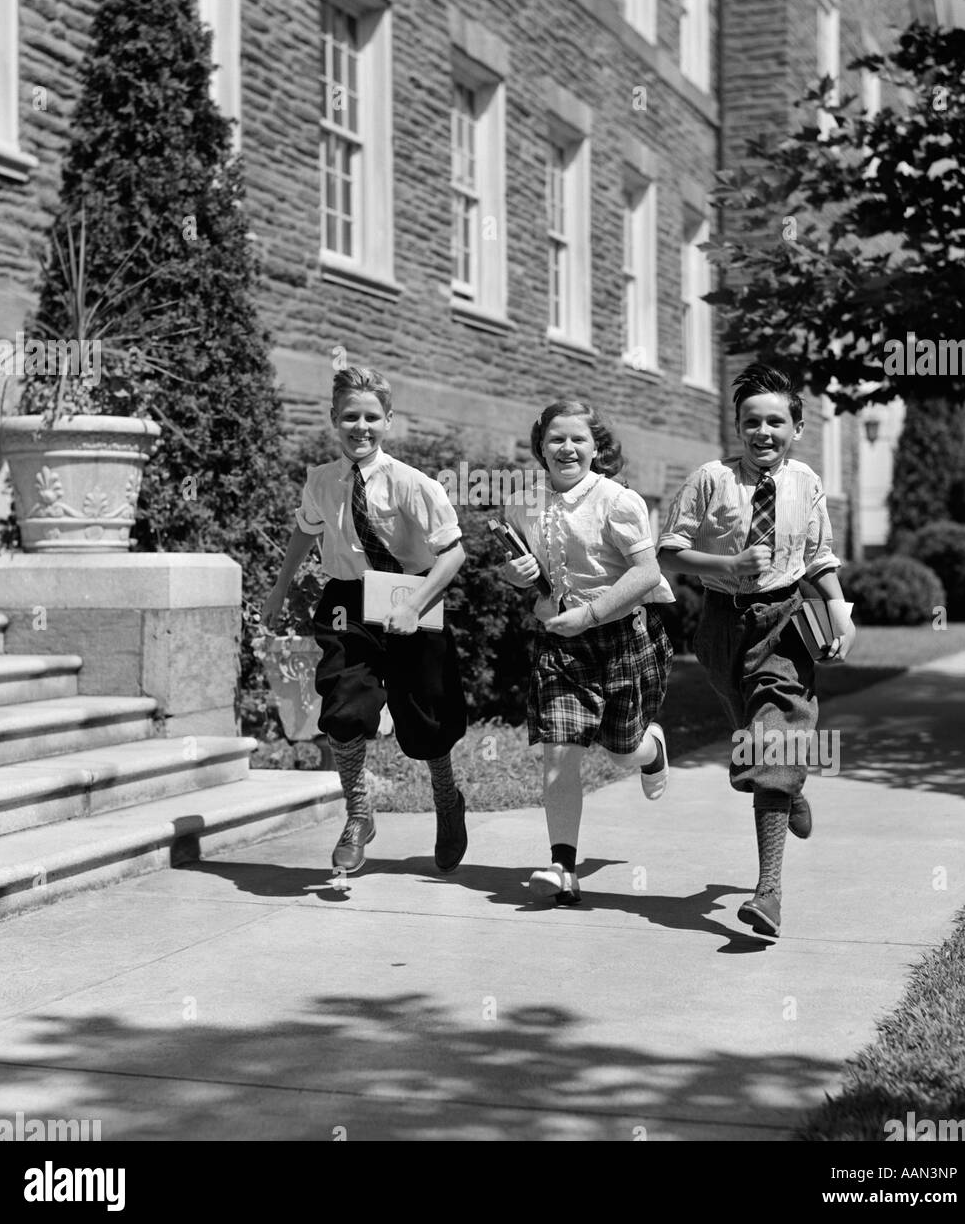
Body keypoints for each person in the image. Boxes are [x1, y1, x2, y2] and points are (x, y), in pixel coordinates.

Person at [657, 363, 855, 939]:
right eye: (751, 422)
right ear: (738, 427)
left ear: (796, 428)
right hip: (722, 627)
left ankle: (767, 892)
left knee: (775, 735)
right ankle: (787, 788)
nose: (762, 432)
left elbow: (818, 555)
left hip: (786, 620)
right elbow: (669, 551)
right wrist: (727, 565)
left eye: (776, 421)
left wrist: (839, 611)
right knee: (751, 734)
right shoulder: (710, 479)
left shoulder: (806, 483)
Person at [262, 365, 468, 875]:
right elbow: (304, 534)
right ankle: (358, 813)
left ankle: (447, 800)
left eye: (372, 417)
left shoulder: (413, 485)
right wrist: (280, 586)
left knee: (425, 720)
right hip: (346, 601)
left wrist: (413, 605)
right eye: (350, 416)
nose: (361, 426)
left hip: (412, 595)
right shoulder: (322, 482)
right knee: (343, 704)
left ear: (389, 421)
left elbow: (454, 555)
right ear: (334, 419)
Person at [500, 399, 675, 906]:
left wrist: (591, 614)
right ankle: (562, 868)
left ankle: (652, 750)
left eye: (578, 438)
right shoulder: (522, 503)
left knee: (623, 751)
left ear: (597, 447)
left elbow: (647, 573)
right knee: (559, 754)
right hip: (560, 645)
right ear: (541, 447)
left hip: (621, 638)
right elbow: (531, 578)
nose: (567, 447)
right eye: (556, 438)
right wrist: (518, 580)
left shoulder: (619, 502)